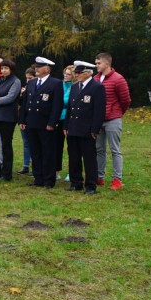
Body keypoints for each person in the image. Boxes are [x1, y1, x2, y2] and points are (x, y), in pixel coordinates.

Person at [20, 56, 64, 188]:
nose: (36, 69)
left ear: (47, 69)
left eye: (39, 67)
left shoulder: (55, 83)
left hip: (45, 124)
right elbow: (25, 103)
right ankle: (38, 178)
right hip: (31, 122)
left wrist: (52, 123)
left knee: (48, 152)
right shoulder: (32, 83)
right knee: (35, 151)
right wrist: (22, 119)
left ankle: (48, 180)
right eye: (36, 67)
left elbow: (57, 105)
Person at [65, 61, 106, 194]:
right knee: (73, 156)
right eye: (76, 72)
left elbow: (99, 110)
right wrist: (66, 125)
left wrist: (95, 129)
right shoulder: (75, 87)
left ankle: (90, 185)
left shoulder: (97, 87)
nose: (76, 75)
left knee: (89, 158)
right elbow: (70, 108)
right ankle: (75, 182)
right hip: (73, 127)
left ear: (88, 73)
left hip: (87, 129)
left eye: (79, 72)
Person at [94, 52, 131, 190]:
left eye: (99, 63)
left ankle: (117, 180)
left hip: (113, 120)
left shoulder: (118, 79)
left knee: (115, 150)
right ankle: (99, 177)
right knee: (99, 149)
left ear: (107, 63)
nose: (96, 65)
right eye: (96, 63)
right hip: (98, 120)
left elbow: (126, 100)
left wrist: (117, 112)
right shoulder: (95, 79)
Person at [57, 65, 75, 179]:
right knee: (57, 146)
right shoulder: (60, 84)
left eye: (68, 74)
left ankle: (71, 172)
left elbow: (68, 101)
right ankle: (56, 171)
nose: (65, 76)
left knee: (71, 147)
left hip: (69, 119)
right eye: (65, 73)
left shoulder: (75, 86)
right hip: (58, 119)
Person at [17, 67, 36, 174]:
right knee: (26, 143)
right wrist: (21, 94)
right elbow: (21, 105)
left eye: (30, 78)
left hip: (33, 120)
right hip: (24, 119)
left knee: (34, 143)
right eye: (27, 78)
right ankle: (26, 165)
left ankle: (35, 166)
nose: (28, 80)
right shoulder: (25, 89)